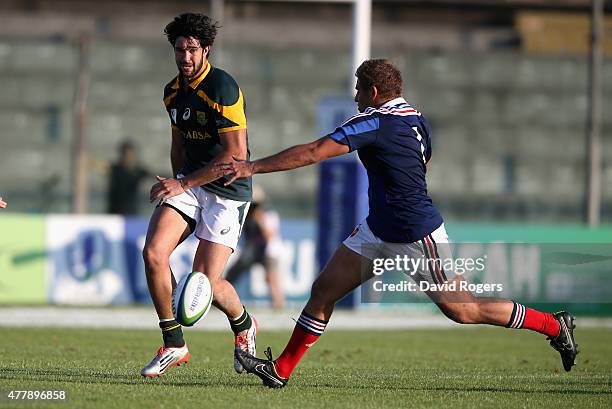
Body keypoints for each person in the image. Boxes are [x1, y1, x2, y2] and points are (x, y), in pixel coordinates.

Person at [218, 59, 578, 388]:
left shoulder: (375, 121)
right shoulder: (417, 119)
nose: (356, 95)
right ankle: (280, 370)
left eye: (359, 89)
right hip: (378, 230)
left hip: (416, 235)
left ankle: (554, 325)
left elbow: (314, 152)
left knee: (463, 309)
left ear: (373, 92)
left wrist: (251, 166)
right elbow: (424, 161)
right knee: (324, 290)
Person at [140, 12, 257, 377]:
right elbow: (178, 142)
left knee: (205, 281)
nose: (185, 57)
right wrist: (177, 179)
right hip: (190, 184)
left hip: (227, 191)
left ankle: (245, 327)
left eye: (192, 49)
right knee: (154, 253)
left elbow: (235, 154)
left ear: (206, 49)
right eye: (179, 49)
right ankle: (174, 343)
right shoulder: (172, 92)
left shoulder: (222, 87)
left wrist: (182, 183)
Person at [225, 186, 285, 309]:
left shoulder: (269, 215)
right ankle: (223, 300)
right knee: (232, 274)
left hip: (269, 251)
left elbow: (269, 236)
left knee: (272, 279)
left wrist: (260, 220)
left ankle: (279, 305)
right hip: (252, 251)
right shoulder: (247, 216)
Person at [107, 140, 150, 215]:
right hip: (114, 210)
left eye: (130, 154)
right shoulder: (115, 169)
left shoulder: (139, 171)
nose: (128, 157)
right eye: (125, 154)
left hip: (131, 211)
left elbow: (154, 175)